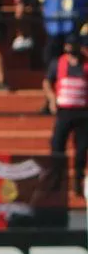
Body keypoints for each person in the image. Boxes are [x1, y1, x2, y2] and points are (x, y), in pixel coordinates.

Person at [44, 36, 88, 197]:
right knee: (57, 145)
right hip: (64, 111)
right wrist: (51, 99)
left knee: (82, 149)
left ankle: (78, 181)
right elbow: (47, 82)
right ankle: (57, 179)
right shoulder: (58, 63)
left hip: (83, 112)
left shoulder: (86, 64)